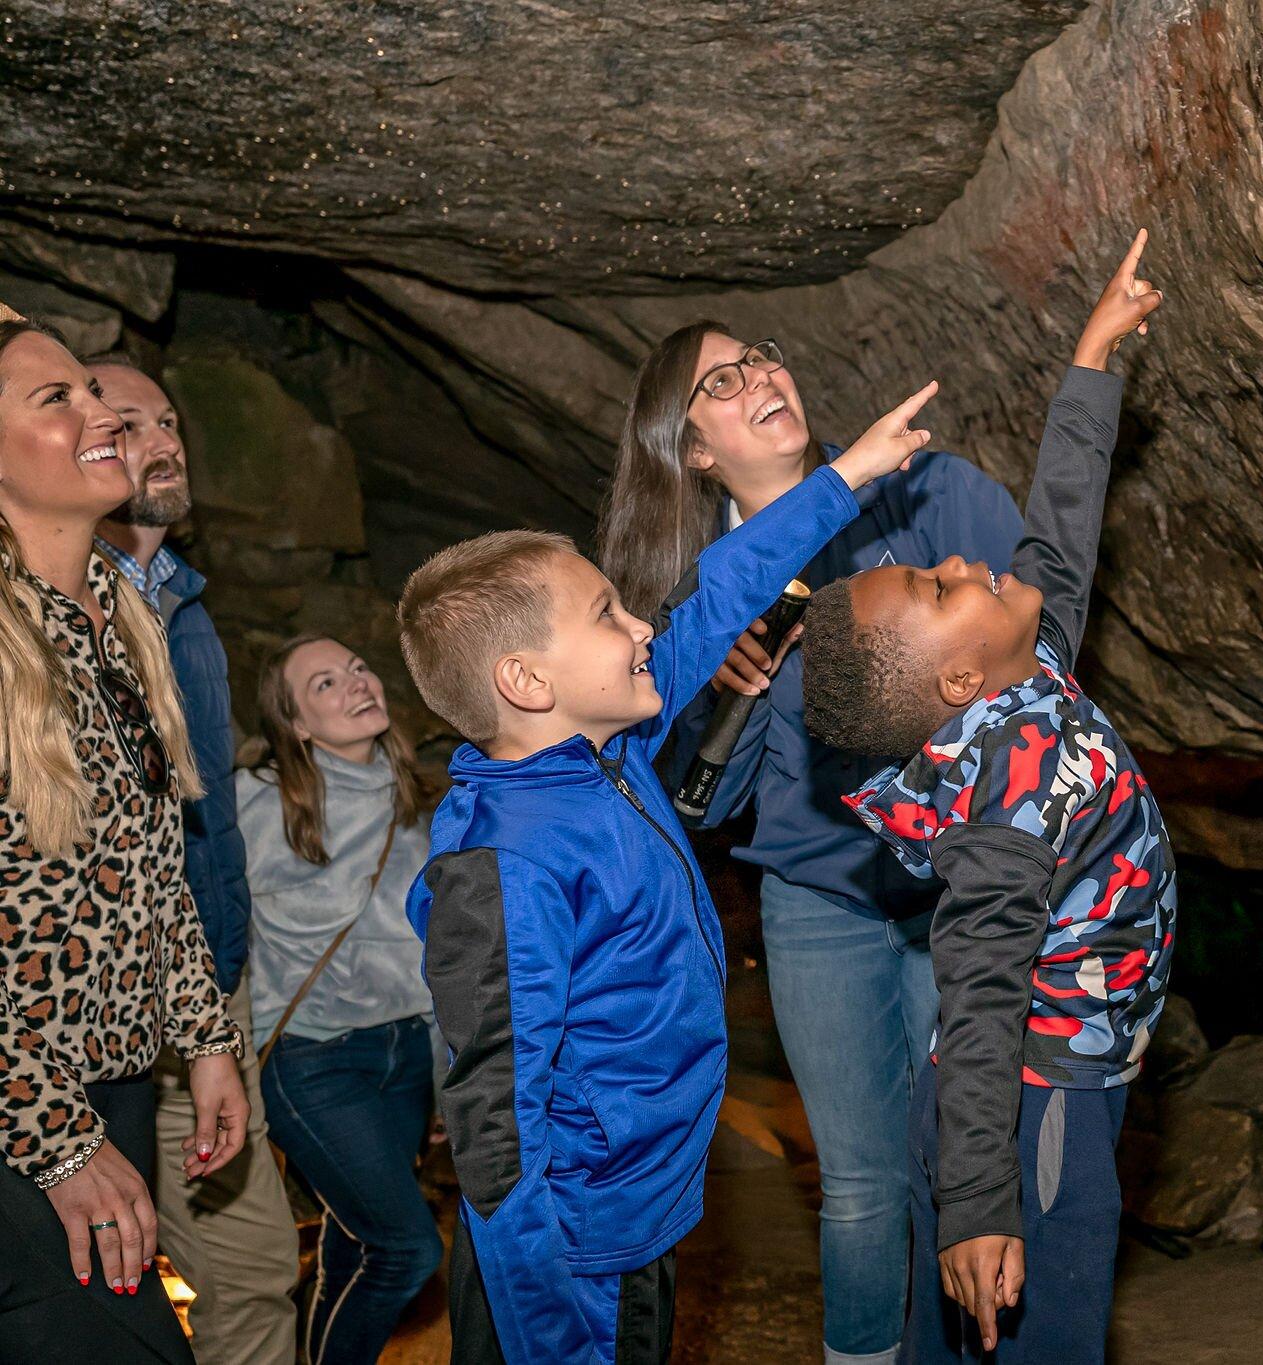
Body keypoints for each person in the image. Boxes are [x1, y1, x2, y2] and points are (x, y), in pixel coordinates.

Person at [398, 383, 941, 1365]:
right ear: (526, 681)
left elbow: (717, 591)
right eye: (607, 616)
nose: (641, 627)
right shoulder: (504, 860)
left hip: (631, 1209)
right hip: (571, 1254)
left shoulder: (609, 756)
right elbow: (496, 1143)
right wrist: (554, 1342)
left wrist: (846, 477)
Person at [596, 321, 1023, 1364]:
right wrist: (728, 698)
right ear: (693, 451)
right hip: (813, 900)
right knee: (861, 1187)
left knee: (962, 1167)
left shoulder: (934, 496)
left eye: (764, 356)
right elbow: (695, 806)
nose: (762, 379)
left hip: (949, 891)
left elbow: (1035, 662)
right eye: (721, 382)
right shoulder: (707, 592)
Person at [799, 234, 1170, 1364]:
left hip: (1042, 1096)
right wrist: (980, 1204)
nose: (962, 563)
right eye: (935, 586)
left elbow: (1058, 534)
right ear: (958, 684)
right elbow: (976, 1004)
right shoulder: (1000, 803)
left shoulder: (1022, 675)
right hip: (1031, 1111)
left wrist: (1092, 364)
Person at [0, 313, 248, 1364]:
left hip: (108, 1087)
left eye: (90, 393)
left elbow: (154, 867)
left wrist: (204, 1041)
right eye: (56, 399)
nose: (101, 414)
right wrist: (55, 1145)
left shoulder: (119, 612)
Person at [89, 354, 300, 1365]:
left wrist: (225, 995)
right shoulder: (53, 617)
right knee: (94, 1298)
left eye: (167, 420)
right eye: (126, 422)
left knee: (256, 1272)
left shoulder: (189, 611)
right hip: (85, 1033)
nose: (163, 440)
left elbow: (196, 833)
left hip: (208, 993)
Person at [239, 634, 437, 1364]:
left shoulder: (420, 796)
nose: (357, 683)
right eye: (325, 683)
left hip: (407, 1053)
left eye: (358, 667)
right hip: (312, 1058)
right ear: (295, 722)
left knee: (354, 1244)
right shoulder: (258, 799)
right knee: (406, 1248)